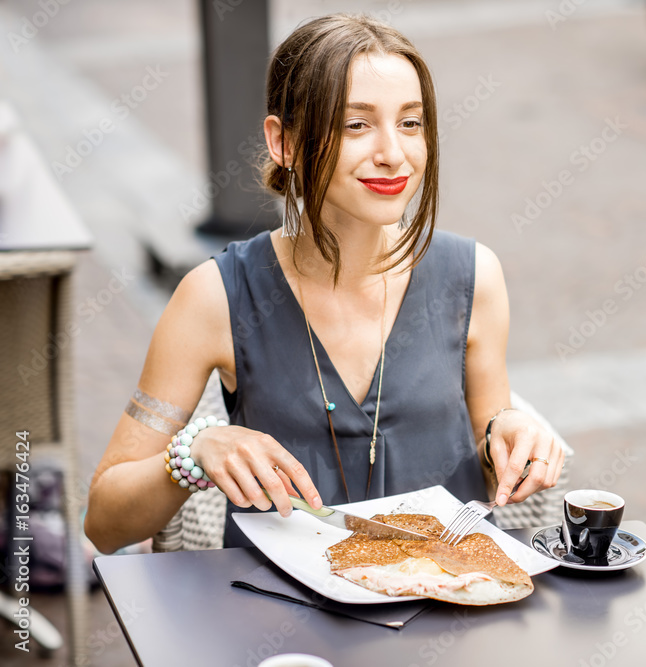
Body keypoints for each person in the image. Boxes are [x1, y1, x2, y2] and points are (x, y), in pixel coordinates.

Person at [84, 14, 565, 554]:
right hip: (278, 624)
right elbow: (104, 522)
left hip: (449, 602)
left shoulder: (473, 276)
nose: (393, 152)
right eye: (356, 125)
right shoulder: (215, 296)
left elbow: (488, 440)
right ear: (283, 142)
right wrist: (195, 453)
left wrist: (510, 439)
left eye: (411, 123)